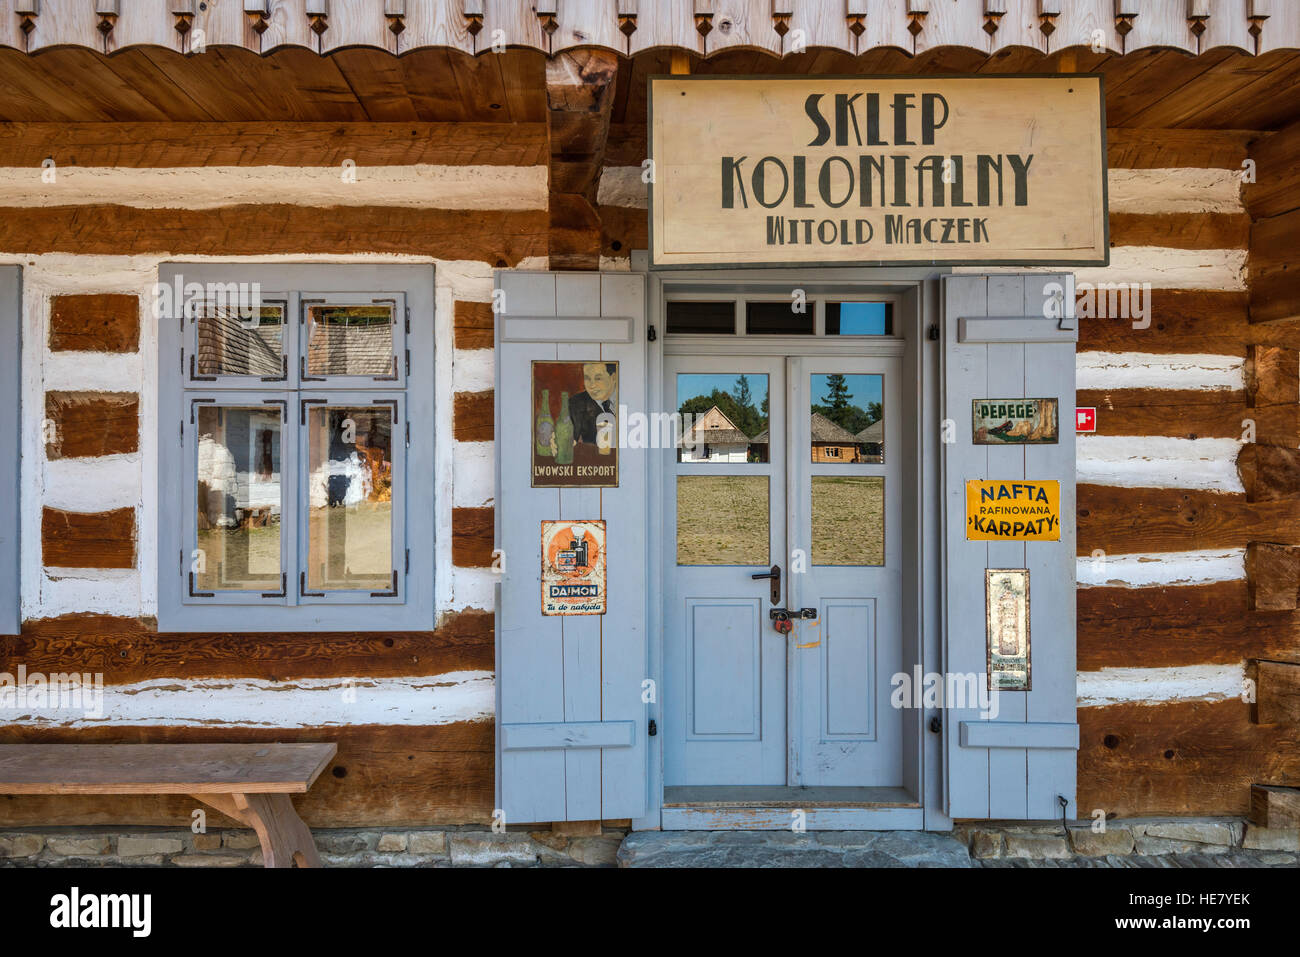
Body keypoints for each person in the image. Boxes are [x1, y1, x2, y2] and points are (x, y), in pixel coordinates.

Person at [567, 362, 617, 445]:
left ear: (613, 378)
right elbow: (568, 439)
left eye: (598, 378)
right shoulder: (576, 403)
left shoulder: (630, 398)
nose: (592, 385)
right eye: (587, 378)